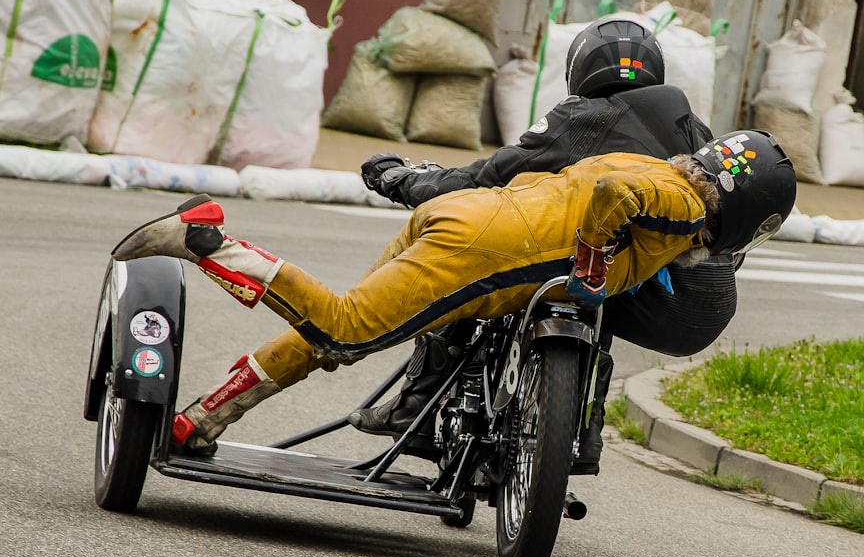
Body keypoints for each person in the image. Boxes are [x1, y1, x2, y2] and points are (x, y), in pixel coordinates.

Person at [111, 132, 796, 456]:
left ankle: (204, 418)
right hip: (478, 257)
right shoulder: (686, 209)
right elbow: (617, 200)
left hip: (462, 219)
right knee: (349, 329)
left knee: (333, 332)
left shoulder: (645, 160)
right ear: (744, 211)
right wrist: (590, 268)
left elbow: (593, 179)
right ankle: (209, 240)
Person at [349, 16, 735, 472]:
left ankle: (415, 406)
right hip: (699, 303)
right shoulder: (700, 135)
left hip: (613, 273)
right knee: (607, 278)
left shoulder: (579, 118)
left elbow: (486, 176)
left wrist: (400, 180)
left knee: (477, 261)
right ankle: (588, 431)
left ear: (581, 69)